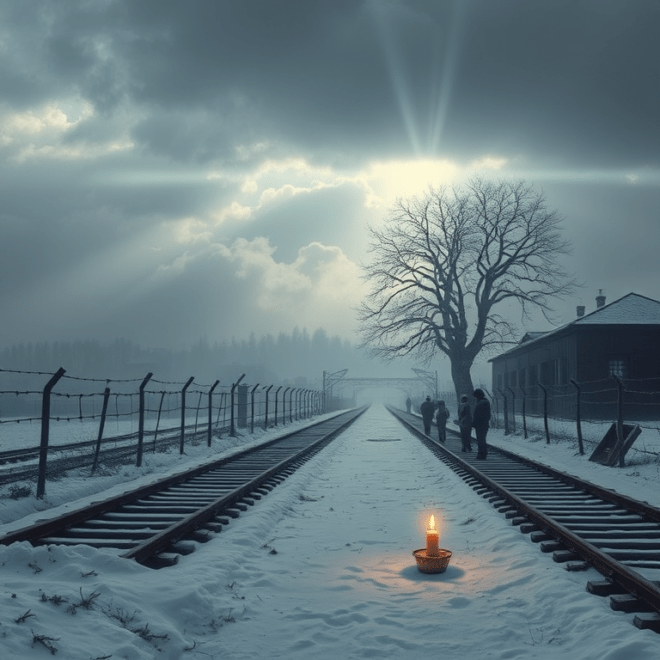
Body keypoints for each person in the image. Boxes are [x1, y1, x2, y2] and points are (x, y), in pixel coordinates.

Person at [472, 388, 491, 459]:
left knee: (481, 440)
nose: (476, 398)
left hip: (481, 425)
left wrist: (474, 423)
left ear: (479, 395)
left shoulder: (482, 403)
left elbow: (478, 415)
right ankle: (482, 454)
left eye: (476, 396)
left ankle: (482, 454)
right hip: (483, 424)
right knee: (481, 439)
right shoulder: (485, 402)